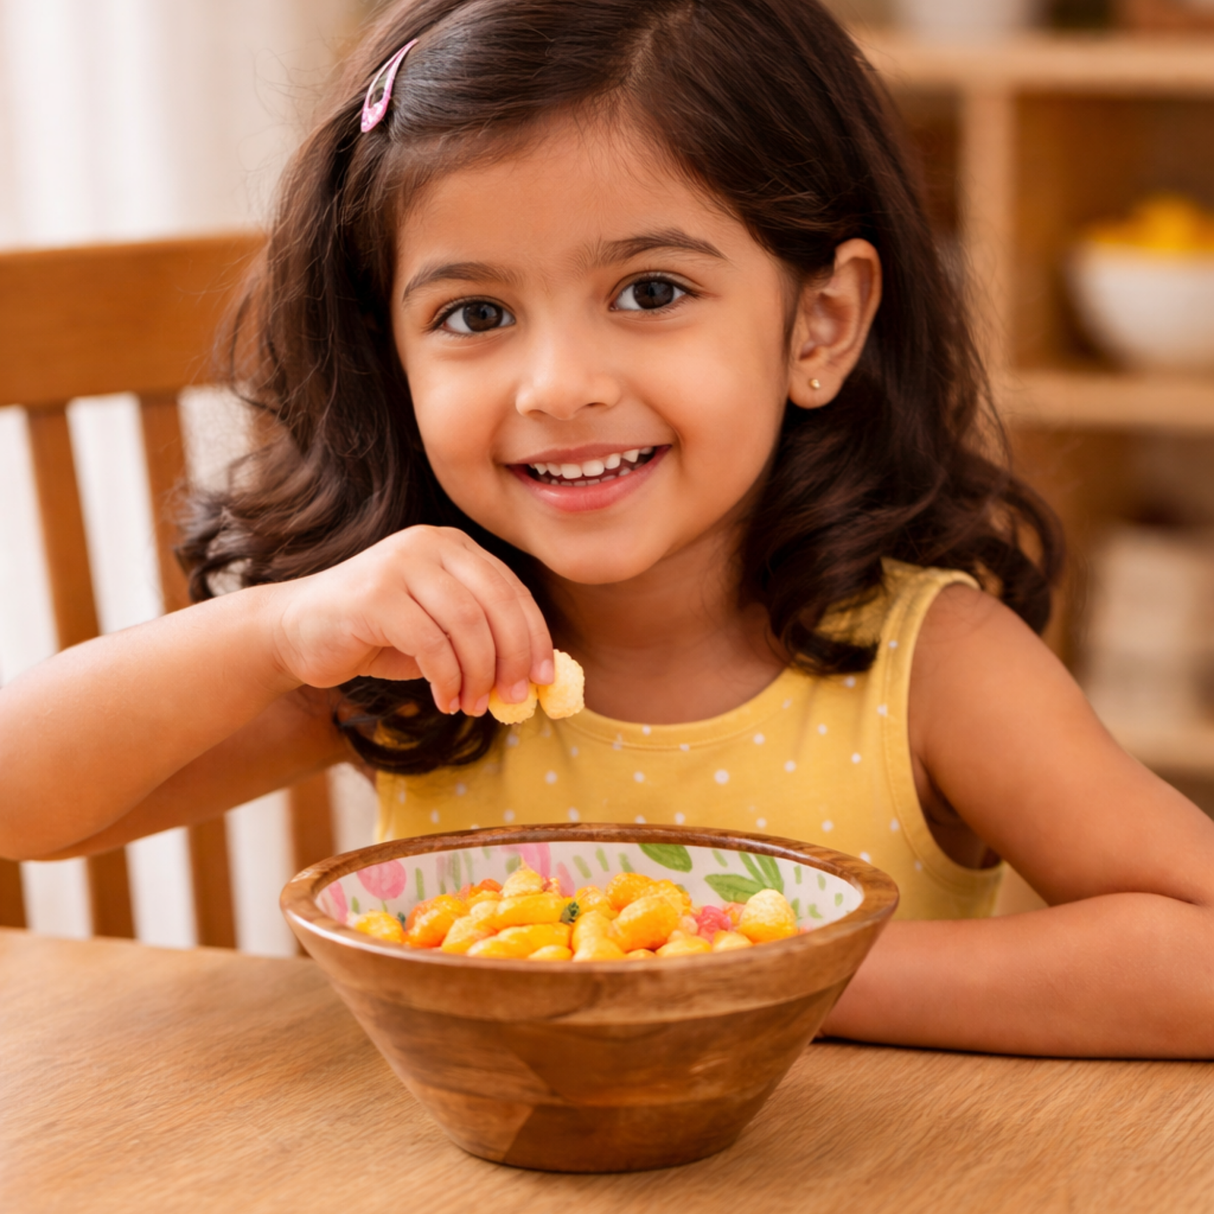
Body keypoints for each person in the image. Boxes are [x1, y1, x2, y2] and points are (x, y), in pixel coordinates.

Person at [2, 0, 1212, 1057]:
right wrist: (272, 629)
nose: (557, 385)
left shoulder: (928, 666)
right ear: (391, 356)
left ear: (819, 324)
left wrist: (761, 970)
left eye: (649, 292)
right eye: (474, 312)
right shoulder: (421, 659)